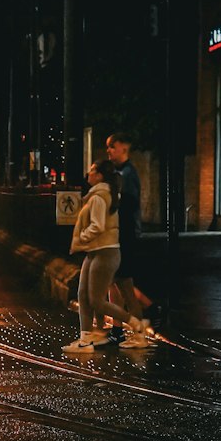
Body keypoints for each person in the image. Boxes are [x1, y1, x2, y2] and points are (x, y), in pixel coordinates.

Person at [63, 158, 150, 354]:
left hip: (104, 251)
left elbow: (98, 225)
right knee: (83, 295)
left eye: (92, 171)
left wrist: (81, 238)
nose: (88, 174)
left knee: (96, 300)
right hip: (96, 251)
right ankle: (85, 340)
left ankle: (134, 324)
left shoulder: (99, 196)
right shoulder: (98, 195)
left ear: (100, 175)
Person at [104, 131, 159, 334]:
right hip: (121, 235)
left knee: (122, 283)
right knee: (119, 283)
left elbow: (128, 205)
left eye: (112, 146)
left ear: (124, 147)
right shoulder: (121, 173)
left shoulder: (127, 174)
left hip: (124, 236)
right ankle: (122, 328)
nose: (109, 150)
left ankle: (134, 328)